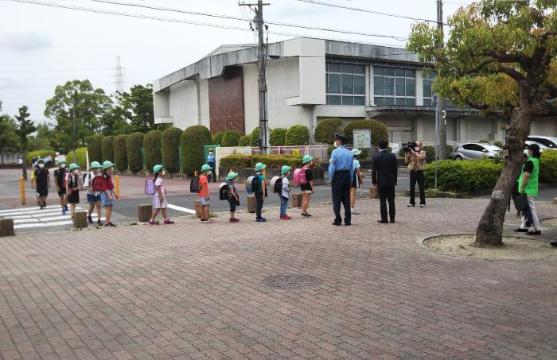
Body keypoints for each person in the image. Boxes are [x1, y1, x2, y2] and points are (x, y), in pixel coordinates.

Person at [329, 133, 354, 226]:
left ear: (339, 141)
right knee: (347, 199)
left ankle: (338, 220)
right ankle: (348, 220)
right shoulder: (350, 153)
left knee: (336, 199)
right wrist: (351, 179)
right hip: (347, 176)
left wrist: (331, 178)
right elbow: (352, 168)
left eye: (336, 140)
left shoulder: (335, 152)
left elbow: (332, 167)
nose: (335, 142)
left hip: (337, 176)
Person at [516, 143, 541, 235]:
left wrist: (522, 188)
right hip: (530, 189)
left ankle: (536, 229)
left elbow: (526, 175)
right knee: (527, 209)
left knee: (531, 210)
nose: (528, 151)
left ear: (532, 151)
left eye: (529, 149)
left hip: (527, 189)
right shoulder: (535, 160)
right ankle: (531, 227)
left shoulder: (530, 162)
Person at [372, 139, 398, 224]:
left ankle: (384, 219)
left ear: (379, 146)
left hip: (381, 181)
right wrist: (395, 180)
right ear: (387, 146)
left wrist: (374, 182)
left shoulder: (376, 156)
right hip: (391, 181)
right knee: (391, 201)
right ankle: (392, 218)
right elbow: (395, 170)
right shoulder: (392, 156)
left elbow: (374, 171)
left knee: (382, 201)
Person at [405, 140, 427, 207]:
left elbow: (422, 158)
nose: (415, 146)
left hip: (420, 172)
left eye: (417, 145)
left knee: (421, 187)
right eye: (415, 145)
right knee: (412, 187)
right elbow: (406, 161)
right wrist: (407, 153)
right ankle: (412, 202)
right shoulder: (411, 152)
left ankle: (422, 202)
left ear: (420, 146)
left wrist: (414, 153)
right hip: (412, 171)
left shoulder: (422, 152)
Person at [84, 161, 103, 225]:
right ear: (93, 168)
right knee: (92, 206)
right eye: (97, 168)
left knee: (98, 205)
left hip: (97, 193)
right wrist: (90, 189)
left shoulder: (99, 175)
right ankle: (89, 216)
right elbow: (86, 186)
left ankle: (99, 220)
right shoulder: (89, 175)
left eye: (99, 168)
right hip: (90, 193)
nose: (98, 169)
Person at [100, 160, 118, 227]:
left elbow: (111, 186)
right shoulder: (104, 177)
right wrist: (110, 195)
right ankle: (107, 222)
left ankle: (108, 221)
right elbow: (105, 187)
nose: (112, 169)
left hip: (109, 192)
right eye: (111, 167)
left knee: (110, 207)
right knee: (108, 207)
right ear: (107, 169)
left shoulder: (108, 176)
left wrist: (114, 193)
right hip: (106, 193)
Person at [350, 149, 363, 215]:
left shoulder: (349, 160)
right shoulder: (356, 161)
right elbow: (358, 172)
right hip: (354, 177)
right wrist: (361, 179)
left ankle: (349, 208)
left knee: (349, 193)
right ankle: (352, 209)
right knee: (353, 194)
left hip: (347, 177)